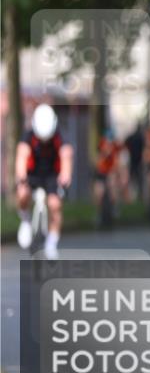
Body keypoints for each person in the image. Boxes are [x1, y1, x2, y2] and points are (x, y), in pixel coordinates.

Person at [15, 104, 74, 259]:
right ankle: (25, 220)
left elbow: (66, 155)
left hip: (52, 176)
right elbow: (22, 155)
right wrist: (21, 178)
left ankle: (51, 243)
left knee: (55, 205)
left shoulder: (60, 136)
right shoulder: (29, 136)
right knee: (22, 194)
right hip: (33, 174)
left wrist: (65, 177)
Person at [93, 129, 123, 226]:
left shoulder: (116, 146)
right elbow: (97, 159)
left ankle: (114, 206)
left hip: (111, 171)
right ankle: (98, 213)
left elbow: (118, 160)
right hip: (101, 172)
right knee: (99, 193)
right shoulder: (101, 144)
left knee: (112, 187)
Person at [124, 122, 146, 202]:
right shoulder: (141, 138)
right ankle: (138, 196)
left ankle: (131, 197)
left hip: (133, 161)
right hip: (138, 162)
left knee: (132, 179)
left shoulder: (131, 137)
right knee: (139, 179)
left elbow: (125, 143)